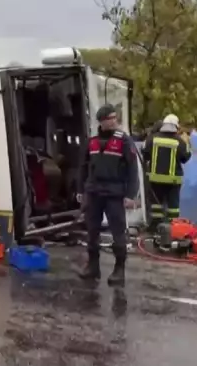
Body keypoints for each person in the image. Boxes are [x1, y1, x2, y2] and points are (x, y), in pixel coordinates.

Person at [77, 104, 139, 286]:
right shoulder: (92, 140)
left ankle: (119, 270)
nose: (113, 122)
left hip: (115, 193)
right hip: (94, 192)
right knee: (92, 231)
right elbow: (83, 166)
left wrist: (131, 194)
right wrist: (81, 190)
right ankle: (93, 267)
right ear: (101, 122)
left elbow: (132, 170)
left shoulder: (124, 141)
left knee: (118, 232)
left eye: (114, 118)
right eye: (109, 119)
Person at [142, 114, 190, 230]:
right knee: (173, 207)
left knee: (156, 205)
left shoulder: (152, 138)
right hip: (173, 180)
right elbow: (186, 157)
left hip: (155, 178)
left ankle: (155, 227)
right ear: (176, 126)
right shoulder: (180, 141)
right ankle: (172, 228)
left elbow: (145, 153)